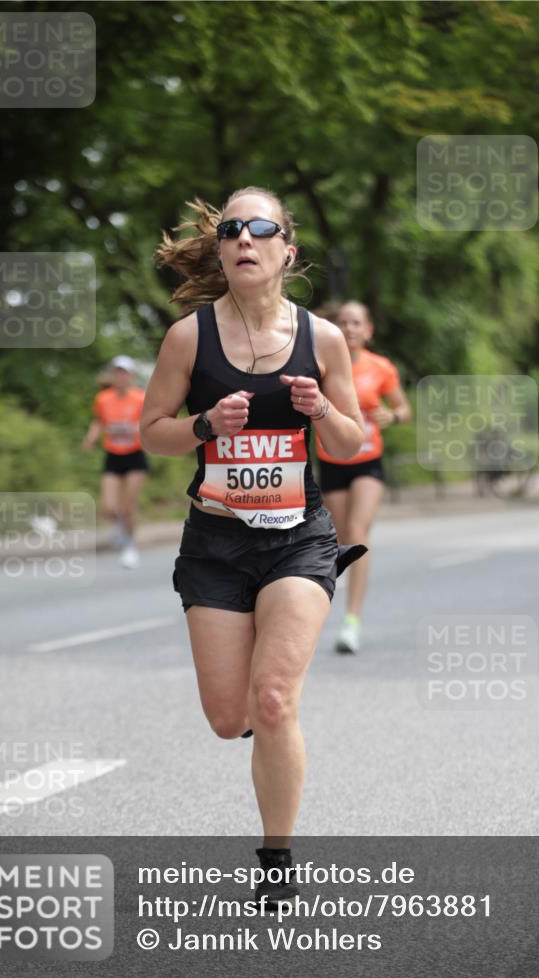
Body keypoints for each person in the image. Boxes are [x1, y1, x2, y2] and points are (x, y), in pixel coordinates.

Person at [141, 187, 366, 908]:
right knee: (228, 717)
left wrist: (320, 408)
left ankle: (276, 858)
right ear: (221, 250)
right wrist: (205, 425)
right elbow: (152, 432)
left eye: (259, 228)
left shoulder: (322, 339)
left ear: (285, 252)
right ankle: (258, 732)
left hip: (297, 539)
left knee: (272, 701)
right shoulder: (189, 338)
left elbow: (351, 442)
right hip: (214, 543)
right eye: (231, 228)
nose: (243, 237)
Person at [316, 301, 411, 654]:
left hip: (368, 460)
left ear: (368, 330)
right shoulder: (321, 365)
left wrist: (393, 416)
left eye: (357, 323)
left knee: (357, 531)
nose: (350, 328)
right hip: (331, 459)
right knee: (342, 540)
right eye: (344, 322)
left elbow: (403, 408)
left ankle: (352, 621)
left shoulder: (380, 367)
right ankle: (337, 601)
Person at [82, 355, 149, 569]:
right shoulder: (103, 398)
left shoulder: (141, 398)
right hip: (112, 455)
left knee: (127, 507)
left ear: (131, 376)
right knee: (109, 507)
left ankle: (130, 547)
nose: (120, 377)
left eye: (124, 373)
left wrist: (138, 430)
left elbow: (150, 423)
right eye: (116, 373)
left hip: (135, 455)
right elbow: (98, 422)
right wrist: (90, 438)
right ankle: (120, 528)